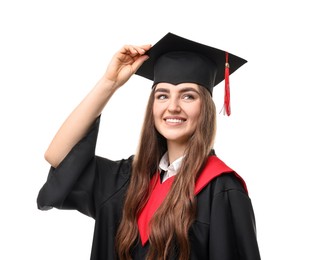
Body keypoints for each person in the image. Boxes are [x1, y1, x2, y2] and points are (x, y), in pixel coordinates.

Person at [37, 33, 261, 260]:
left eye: (188, 97)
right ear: (152, 106)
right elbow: (58, 156)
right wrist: (109, 83)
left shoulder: (221, 190)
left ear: (206, 109)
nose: (173, 107)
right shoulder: (128, 180)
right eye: (162, 96)